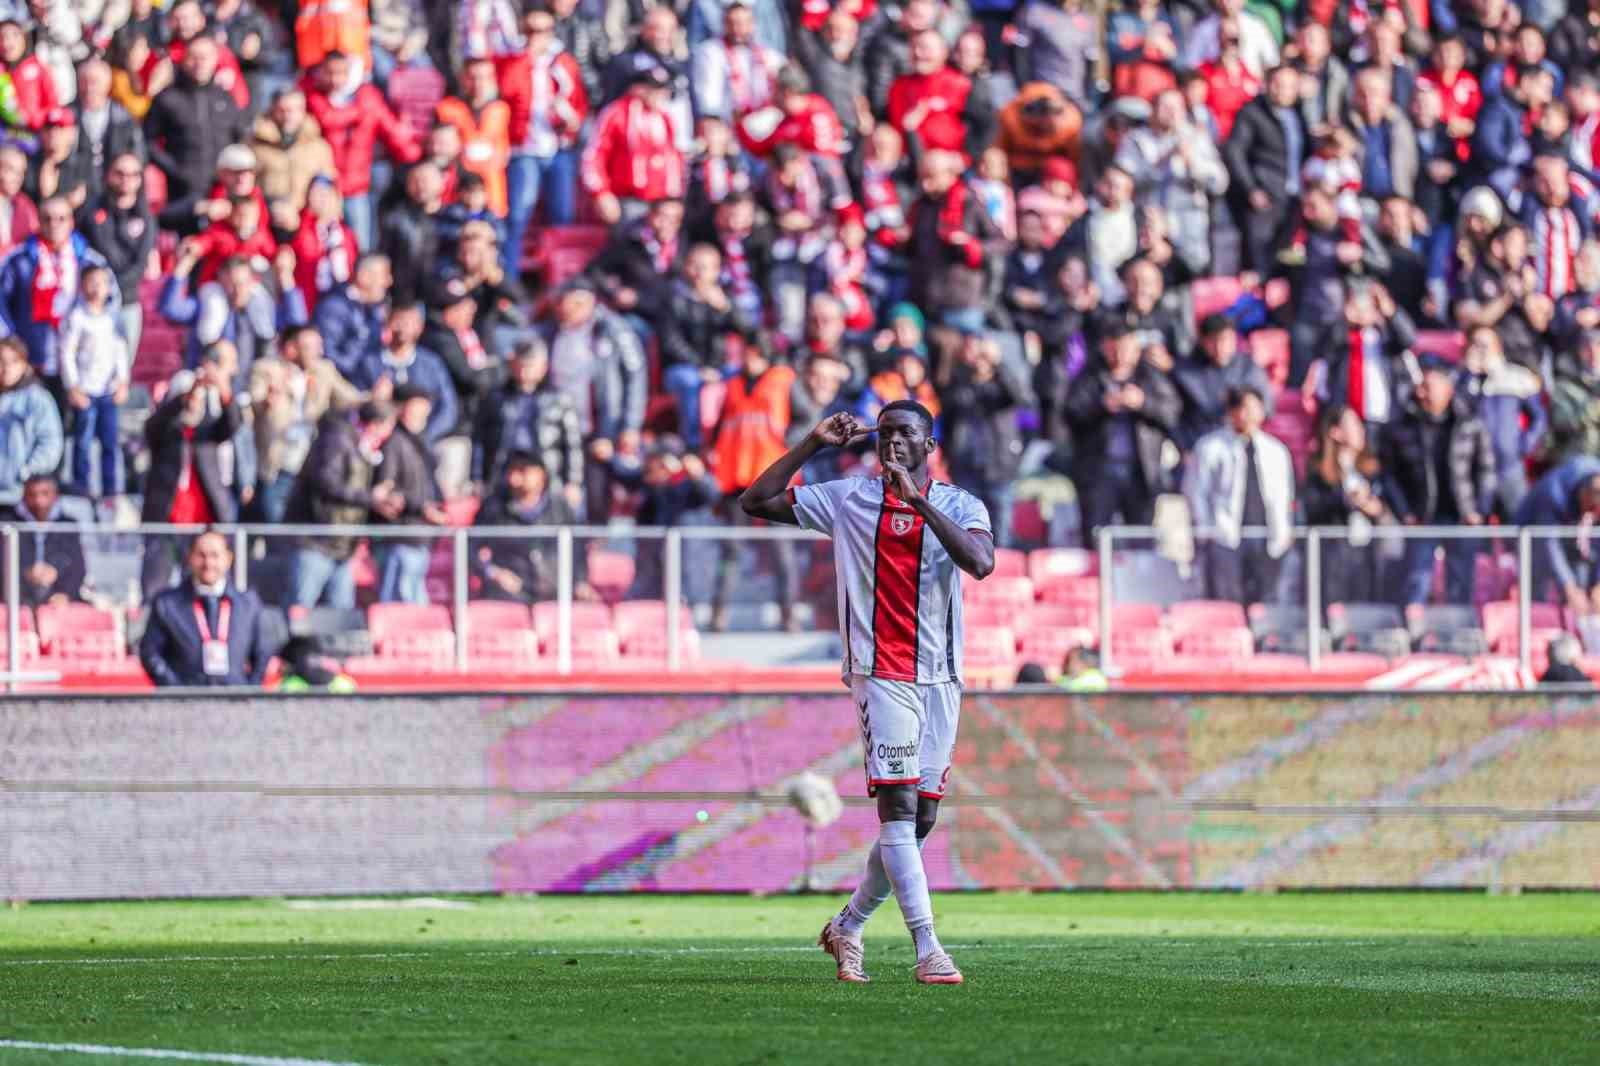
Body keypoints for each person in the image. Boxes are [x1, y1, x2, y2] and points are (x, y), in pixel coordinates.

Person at [741, 403, 994, 986]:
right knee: (899, 813)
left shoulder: (960, 504)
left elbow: (980, 563)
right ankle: (928, 948)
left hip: (942, 676)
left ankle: (849, 925)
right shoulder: (847, 498)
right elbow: (756, 500)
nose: (894, 442)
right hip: (880, 673)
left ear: (929, 444)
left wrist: (918, 501)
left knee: (921, 817)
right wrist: (811, 443)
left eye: (907, 433)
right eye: (885, 433)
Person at [1380, 357, 1497, 607]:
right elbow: (1390, 476)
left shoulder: (1470, 423)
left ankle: (1459, 635)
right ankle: (1413, 633)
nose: (1421, 392)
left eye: (1428, 385)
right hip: (1423, 518)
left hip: (1462, 518)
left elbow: (1486, 471)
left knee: (1461, 582)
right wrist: (1405, 513)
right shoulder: (1403, 426)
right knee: (1417, 580)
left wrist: (1479, 511)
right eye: (1420, 385)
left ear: (1447, 387)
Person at [137, 362, 248, 596]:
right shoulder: (166, 434)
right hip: (165, 523)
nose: (195, 403)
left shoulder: (207, 433)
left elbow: (233, 423)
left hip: (202, 527)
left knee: (205, 589)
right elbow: (153, 427)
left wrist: (222, 389)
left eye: (199, 399)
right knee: (154, 587)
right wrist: (185, 396)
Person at [1065, 321, 1180, 540]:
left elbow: (1171, 413)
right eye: (1114, 348)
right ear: (1104, 347)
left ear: (1136, 350)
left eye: (1126, 348)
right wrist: (1101, 406)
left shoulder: (1150, 377)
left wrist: (1143, 403)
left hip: (1141, 471)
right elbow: (1070, 413)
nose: (1119, 355)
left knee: (1141, 536)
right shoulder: (1089, 376)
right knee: (1096, 534)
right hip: (1099, 470)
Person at [284, 400, 403, 609]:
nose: (387, 436)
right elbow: (327, 483)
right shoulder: (337, 441)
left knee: (341, 614)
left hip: (342, 547)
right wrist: (370, 497)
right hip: (317, 541)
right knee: (299, 609)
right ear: (375, 424)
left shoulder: (360, 448)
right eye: (387, 428)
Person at [1186, 386, 1295, 607]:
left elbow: (1284, 496)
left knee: (1265, 600)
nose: (1247, 415)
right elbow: (1196, 492)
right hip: (1225, 536)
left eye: (1253, 408)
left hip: (1266, 536)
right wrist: (1207, 531)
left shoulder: (1276, 451)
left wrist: (1284, 530)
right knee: (1226, 601)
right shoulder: (1211, 447)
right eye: (1242, 408)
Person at [139, 530, 276, 687]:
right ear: (190, 557)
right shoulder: (167, 604)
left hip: (235, 703)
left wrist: (247, 690)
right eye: (201, 555)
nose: (208, 563)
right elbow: (150, 653)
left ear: (228, 559)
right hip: (186, 704)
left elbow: (262, 654)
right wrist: (176, 690)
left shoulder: (248, 604)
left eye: (215, 555)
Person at [473, 338, 583, 503]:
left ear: (543, 367)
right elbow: (480, 440)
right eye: (521, 364)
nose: (525, 370)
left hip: (547, 473)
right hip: (504, 472)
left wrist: (573, 482)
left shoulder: (560, 400)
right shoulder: (495, 398)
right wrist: (477, 477)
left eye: (531, 365)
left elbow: (572, 444)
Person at [473, 450, 587, 603]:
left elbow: (578, 549)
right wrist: (493, 573)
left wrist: (579, 581)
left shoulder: (560, 508)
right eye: (511, 471)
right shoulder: (494, 507)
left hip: (554, 596)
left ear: (541, 474)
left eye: (522, 471)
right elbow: (469, 548)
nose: (515, 478)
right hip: (509, 597)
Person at [58, 263, 129, 497]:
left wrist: (122, 381)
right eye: (91, 282)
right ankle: (82, 487)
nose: (97, 288)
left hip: (108, 389)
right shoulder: (76, 318)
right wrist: (73, 386)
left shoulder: (113, 318)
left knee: (110, 443)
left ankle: (110, 491)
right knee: (83, 442)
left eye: (101, 283)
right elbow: (67, 353)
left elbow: (121, 351)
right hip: (86, 390)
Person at [374, 384, 447, 604]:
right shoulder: (394, 443)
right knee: (400, 602)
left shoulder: (420, 443)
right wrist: (422, 507)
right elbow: (385, 492)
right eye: (418, 407)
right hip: (401, 536)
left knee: (415, 603)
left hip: (419, 536)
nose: (424, 413)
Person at [1515, 457, 1600, 611]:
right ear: (1584, 494)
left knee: (1583, 582)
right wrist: (1569, 587)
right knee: (1539, 585)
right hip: (1532, 533)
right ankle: (1537, 624)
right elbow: (1549, 544)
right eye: (1591, 509)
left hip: (1566, 531)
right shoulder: (1553, 492)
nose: (1591, 515)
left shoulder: (1591, 491)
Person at [5, 473, 85, 606]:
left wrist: (64, 593)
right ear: (24, 496)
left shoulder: (68, 525)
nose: (38, 501)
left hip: (56, 598)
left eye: (44, 494)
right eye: (32, 494)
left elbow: (77, 567)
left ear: (55, 495)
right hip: (16, 597)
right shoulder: (8, 523)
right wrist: (25, 572)